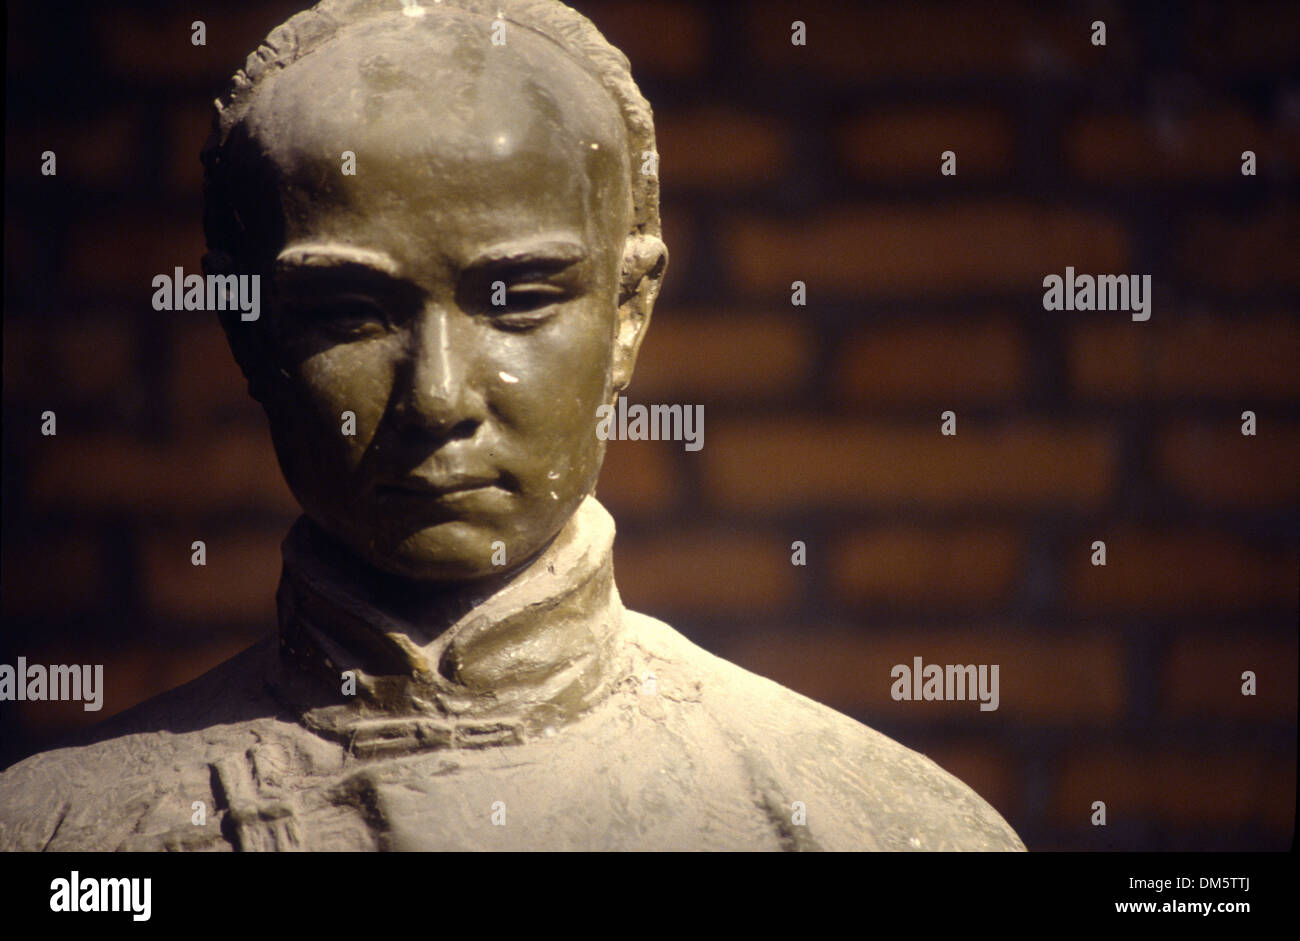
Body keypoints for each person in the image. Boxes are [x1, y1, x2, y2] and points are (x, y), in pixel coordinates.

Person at [0, 0, 1023, 851]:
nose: (437, 396)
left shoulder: (867, 826)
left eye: (517, 297)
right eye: (349, 314)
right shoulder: (63, 835)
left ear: (627, 317)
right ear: (248, 337)